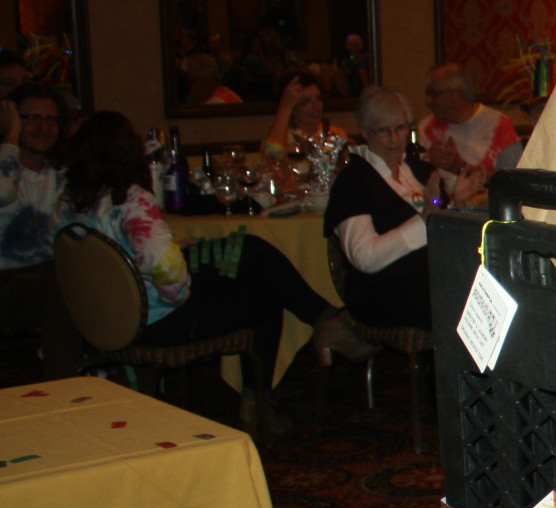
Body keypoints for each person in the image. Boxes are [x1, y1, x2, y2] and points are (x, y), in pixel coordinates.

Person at [59, 112, 367, 428]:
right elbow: (171, 279)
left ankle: (325, 322)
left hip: (102, 321)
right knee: (266, 294)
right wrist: (188, 283)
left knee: (249, 252)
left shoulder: (67, 205)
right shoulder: (133, 202)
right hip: (153, 322)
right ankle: (266, 394)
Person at [325, 87, 470, 331]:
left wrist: (458, 201)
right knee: (463, 299)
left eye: (400, 128)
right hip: (383, 289)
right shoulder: (353, 181)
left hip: (433, 276)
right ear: (365, 132)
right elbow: (365, 257)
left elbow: (444, 225)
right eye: (384, 130)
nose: (394, 138)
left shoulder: (421, 171)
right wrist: (424, 222)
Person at [0, 84, 83, 378]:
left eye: (51, 120)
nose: (44, 128)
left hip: (51, 276)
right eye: (31, 118)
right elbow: (3, 193)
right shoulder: (4, 168)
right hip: (6, 279)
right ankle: (66, 379)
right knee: (61, 285)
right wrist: (10, 136)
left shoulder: (63, 175)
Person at [420, 64, 518, 186]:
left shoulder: (499, 124)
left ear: (457, 94)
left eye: (434, 94)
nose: (427, 101)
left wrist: (459, 167)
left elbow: (511, 180)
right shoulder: (425, 128)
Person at [261, 73, 328, 159]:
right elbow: (272, 156)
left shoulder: (333, 133)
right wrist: (285, 108)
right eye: (306, 101)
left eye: (318, 98)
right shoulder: (280, 133)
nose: (316, 105)